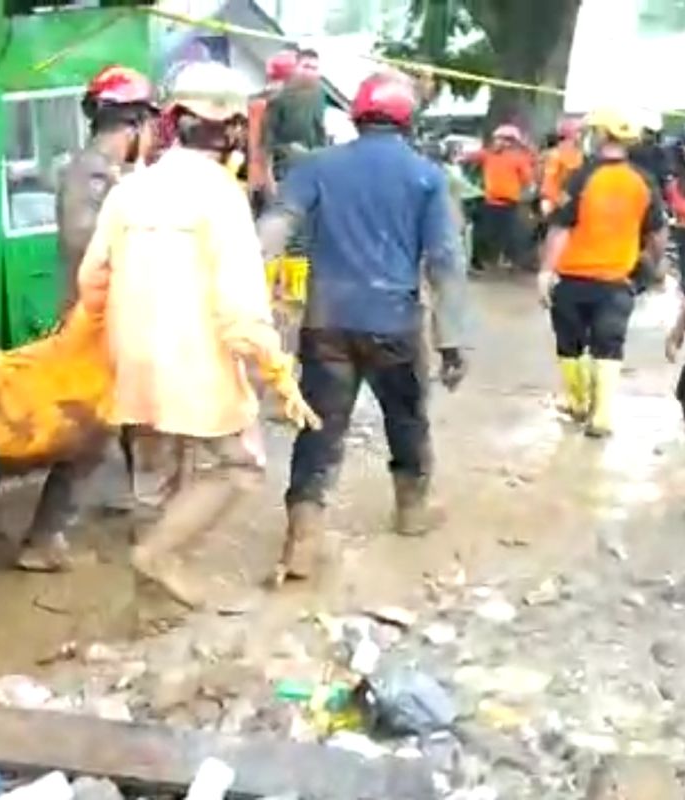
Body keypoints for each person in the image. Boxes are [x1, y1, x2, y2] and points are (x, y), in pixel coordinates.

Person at [76, 60, 320, 610]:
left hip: (133, 361)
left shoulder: (129, 190)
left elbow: (92, 281)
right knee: (241, 465)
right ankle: (158, 557)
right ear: (235, 129)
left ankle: (151, 608)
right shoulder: (220, 196)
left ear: (173, 119)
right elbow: (240, 306)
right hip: (195, 365)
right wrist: (277, 376)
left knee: (155, 475)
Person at [258, 72, 470, 582]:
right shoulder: (426, 176)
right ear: (406, 120)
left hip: (326, 321)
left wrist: (246, 300)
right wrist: (453, 337)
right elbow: (444, 260)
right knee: (406, 419)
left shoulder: (317, 167)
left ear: (356, 116)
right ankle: (411, 511)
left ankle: (302, 541)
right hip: (394, 323)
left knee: (319, 428)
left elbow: (274, 229)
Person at [15, 64, 158, 572]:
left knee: (122, 421)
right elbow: (84, 239)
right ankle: (43, 537)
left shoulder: (109, 173)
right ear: (136, 123)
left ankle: (134, 507)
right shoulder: (93, 172)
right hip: (95, 321)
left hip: (109, 317)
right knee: (90, 432)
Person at [539, 110, 667, 438]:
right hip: (617, 282)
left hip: (573, 278)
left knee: (570, 344)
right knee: (609, 345)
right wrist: (655, 263)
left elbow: (561, 227)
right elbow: (657, 232)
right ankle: (602, 416)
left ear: (601, 136)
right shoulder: (644, 180)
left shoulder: (581, 176)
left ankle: (578, 403)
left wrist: (545, 271)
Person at [469, 124, 534, 270]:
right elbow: (468, 158)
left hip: (509, 203)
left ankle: (511, 260)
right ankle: (478, 260)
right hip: (490, 201)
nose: (499, 142)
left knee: (512, 234)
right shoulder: (487, 154)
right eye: (497, 139)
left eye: (504, 139)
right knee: (482, 233)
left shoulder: (519, 158)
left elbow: (528, 179)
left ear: (512, 142)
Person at [263, 46, 327, 197]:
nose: (309, 72)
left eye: (314, 68)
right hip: (283, 168)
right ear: (296, 68)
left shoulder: (319, 94)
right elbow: (266, 141)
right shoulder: (278, 97)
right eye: (306, 67)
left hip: (311, 164)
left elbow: (319, 129)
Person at [248, 45, 299, 212]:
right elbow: (262, 150)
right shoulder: (273, 105)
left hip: (252, 182)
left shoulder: (254, 102)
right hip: (268, 186)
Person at [539, 118, 584, 220]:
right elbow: (548, 182)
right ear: (570, 134)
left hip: (575, 204)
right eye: (578, 131)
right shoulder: (556, 155)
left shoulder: (579, 154)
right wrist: (557, 200)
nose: (581, 135)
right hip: (559, 206)